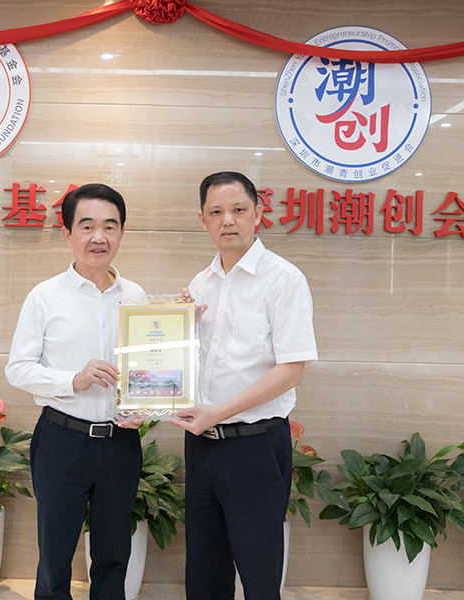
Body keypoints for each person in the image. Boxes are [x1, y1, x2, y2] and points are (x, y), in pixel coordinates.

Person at [168, 171, 318, 600]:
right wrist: (181, 330)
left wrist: (218, 413)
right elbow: (194, 362)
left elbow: (291, 370)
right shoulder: (200, 284)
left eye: (238, 209)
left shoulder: (284, 279)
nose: (228, 220)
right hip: (202, 446)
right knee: (204, 571)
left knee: (258, 573)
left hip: (255, 446)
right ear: (203, 220)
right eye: (216, 212)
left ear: (258, 213)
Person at [5, 183, 144, 600]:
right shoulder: (44, 297)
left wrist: (144, 405)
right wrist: (72, 380)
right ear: (67, 234)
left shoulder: (137, 296)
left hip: (121, 443)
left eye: (110, 226)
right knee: (55, 552)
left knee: (114, 553)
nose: (99, 237)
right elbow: (18, 369)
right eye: (87, 226)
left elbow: (147, 367)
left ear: (121, 233)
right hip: (62, 440)